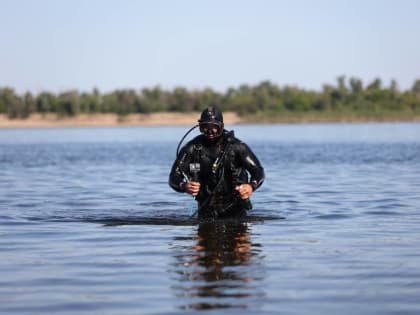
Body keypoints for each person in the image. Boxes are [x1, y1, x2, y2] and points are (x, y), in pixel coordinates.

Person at [169, 106, 265, 219]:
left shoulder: (238, 147)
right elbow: (173, 177)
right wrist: (184, 186)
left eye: (214, 127)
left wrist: (251, 186)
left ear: (222, 126)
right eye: (205, 127)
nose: (210, 131)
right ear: (200, 127)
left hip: (236, 210)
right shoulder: (191, 148)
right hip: (205, 212)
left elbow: (258, 171)